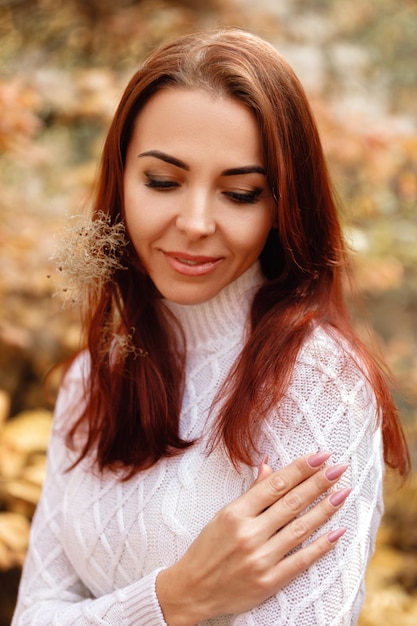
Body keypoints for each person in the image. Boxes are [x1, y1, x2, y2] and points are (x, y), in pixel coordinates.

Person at [12, 28, 409, 625]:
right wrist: (175, 600)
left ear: (283, 209)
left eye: (241, 193)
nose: (196, 222)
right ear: (120, 181)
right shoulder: (95, 377)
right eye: (163, 182)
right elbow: (33, 614)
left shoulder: (317, 382)